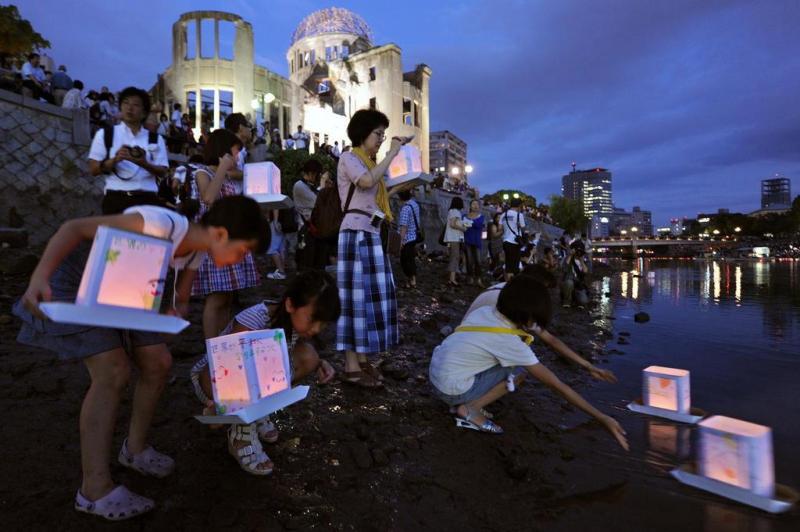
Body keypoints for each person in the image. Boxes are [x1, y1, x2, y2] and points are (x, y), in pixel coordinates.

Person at [13, 195, 269, 520]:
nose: (239, 260)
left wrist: (175, 310)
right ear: (220, 235)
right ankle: (94, 490)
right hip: (73, 279)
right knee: (113, 371)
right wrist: (39, 277)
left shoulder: (198, 250)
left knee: (158, 363)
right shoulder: (157, 224)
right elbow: (73, 228)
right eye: (242, 251)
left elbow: (182, 298)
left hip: (122, 286)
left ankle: (134, 451)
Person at [428, 277, 628, 449]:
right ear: (526, 314)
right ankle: (469, 409)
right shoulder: (508, 341)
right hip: (450, 388)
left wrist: (589, 366)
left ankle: (468, 400)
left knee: (510, 364)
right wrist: (602, 417)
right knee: (521, 371)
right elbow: (556, 385)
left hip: (438, 372)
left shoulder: (490, 311)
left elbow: (551, 339)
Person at [190, 270, 339, 475]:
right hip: (214, 379)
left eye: (322, 324)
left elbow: (297, 351)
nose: (315, 329)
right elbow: (228, 369)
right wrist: (222, 411)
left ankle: (257, 413)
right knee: (258, 369)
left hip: (255, 379)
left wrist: (321, 362)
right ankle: (241, 435)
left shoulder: (290, 320)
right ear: (290, 305)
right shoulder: (253, 321)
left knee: (309, 357)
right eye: (313, 320)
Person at [336, 109, 413, 387]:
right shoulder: (348, 157)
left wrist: (407, 181)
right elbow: (367, 182)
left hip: (369, 231)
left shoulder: (367, 161)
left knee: (371, 296)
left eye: (383, 134)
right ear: (363, 133)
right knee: (354, 298)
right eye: (378, 134)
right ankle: (350, 365)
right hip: (355, 231)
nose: (381, 139)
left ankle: (364, 358)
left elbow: (377, 191)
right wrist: (393, 153)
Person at [463, 264, 617, 384]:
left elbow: (549, 338)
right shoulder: (513, 303)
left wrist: (588, 366)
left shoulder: (505, 290)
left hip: (460, 346)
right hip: (469, 362)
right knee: (518, 368)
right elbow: (548, 340)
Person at [188, 130, 262, 339]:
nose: (238, 156)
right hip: (214, 245)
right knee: (216, 299)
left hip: (230, 241)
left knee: (227, 299)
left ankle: (223, 342)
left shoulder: (228, 178)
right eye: (236, 151)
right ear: (224, 151)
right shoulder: (202, 172)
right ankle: (212, 349)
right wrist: (222, 168)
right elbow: (209, 198)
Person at [88, 87, 169, 215]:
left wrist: (143, 163)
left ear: (144, 113)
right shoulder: (105, 134)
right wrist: (115, 159)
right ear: (120, 107)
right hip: (115, 199)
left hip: (147, 200)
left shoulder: (155, 138)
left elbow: (163, 172)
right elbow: (93, 169)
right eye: (125, 103)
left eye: (136, 104)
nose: (129, 108)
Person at [293, 159, 323, 268]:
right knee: (307, 261)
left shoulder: (310, 186)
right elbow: (317, 202)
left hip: (313, 228)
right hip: (305, 229)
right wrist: (323, 185)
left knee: (316, 260)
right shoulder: (299, 185)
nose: (318, 177)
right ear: (311, 173)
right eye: (317, 174)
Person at [397, 188, 422, 289]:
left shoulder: (405, 209)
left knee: (405, 260)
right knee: (410, 259)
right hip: (414, 235)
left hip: (407, 238)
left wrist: (401, 241)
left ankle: (411, 280)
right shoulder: (414, 204)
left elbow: (404, 227)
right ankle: (412, 280)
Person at [223, 113, 252, 194]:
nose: (250, 130)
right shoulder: (232, 147)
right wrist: (253, 174)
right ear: (241, 127)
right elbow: (228, 172)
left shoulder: (240, 148)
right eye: (248, 126)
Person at [444, 197, 467, 287]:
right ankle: (452, 279)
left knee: (453, 257)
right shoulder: (456, 212)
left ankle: (451, 277)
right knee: (455, 257)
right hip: (454, 238)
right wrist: (463, 228)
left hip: (450, 238)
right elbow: (453, 224)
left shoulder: (451, 211)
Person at [501, 198, 526, 280]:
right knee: (514, 267)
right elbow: (523, 229)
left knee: (508, 265)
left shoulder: (503, 215)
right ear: (519, 206)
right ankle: (510, 286)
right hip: (514, 243)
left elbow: (500, 228)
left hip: (505, 241)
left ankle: (507, 284)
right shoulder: (519, 215)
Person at [464, 199, 485, 287]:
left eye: (477, 204)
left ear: (479, 207)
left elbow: (479, 225)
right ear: (470, 206)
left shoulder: (481, 216)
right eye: (473, 204)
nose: (475, 206)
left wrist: (469, 223)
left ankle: (479, 279)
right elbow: (463, 225)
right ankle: (470, 278)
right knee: (469, 261)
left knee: (478, 261)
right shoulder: (464, 216)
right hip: (467, 240)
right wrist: (470, 223)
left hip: (477, 241)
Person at [562, 241, 589, 308]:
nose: (579, 253)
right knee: (569, 283)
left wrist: (581, 260)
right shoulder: (569, 259)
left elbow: (585, 271)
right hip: (569, 281)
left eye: (581, 251)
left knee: (583, 301)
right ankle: (567, 300)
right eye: (577, 251)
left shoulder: (583, 260)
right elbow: (565, 268)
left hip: (578, 284)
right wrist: (570, 255)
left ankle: (574, 296)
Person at [266, 209, 287, 280]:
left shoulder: (274, 198)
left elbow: (275, 206)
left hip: (276, 223)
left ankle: (281, 272)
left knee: (272, 249)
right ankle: (282, 271)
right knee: (281, 248)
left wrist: (275, 221)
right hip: (283, 223)